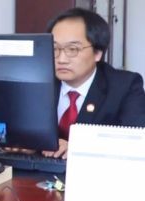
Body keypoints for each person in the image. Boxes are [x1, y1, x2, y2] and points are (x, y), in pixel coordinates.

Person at [44, 7, 145, 159]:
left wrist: (77, 147)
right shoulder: (38, 82)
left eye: (72, 49)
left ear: (98, 53)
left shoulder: (125, 86)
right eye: (54, 48)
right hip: (36, 169)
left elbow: (136, 142)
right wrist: (23, 144)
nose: (61, 59)